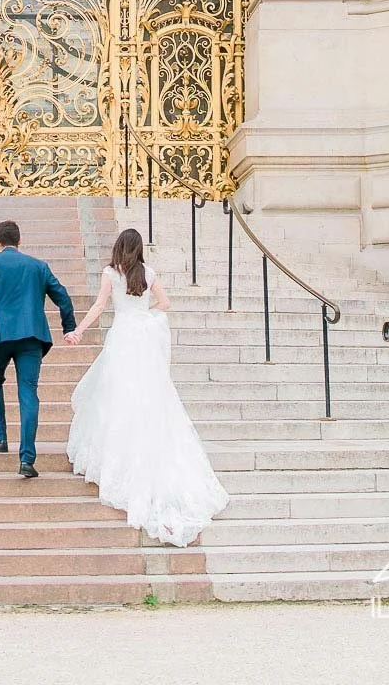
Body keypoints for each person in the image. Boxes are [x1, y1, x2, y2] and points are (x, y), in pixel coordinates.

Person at [64, 226, 228, 545]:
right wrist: (145, 315)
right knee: (149, 392)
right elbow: (165, 303)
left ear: (118, 246)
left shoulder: (111, 273)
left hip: (123, 335)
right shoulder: (148, 273)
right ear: (139, 248)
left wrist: (79, 331)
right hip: (141, 336)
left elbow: (99, 306)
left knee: (115, 393)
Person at [0, 218, 76, 479]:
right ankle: (27, 458)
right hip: (31, 336)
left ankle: (1, 438)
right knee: (28, 393)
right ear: (20, 241)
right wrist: (68, 326)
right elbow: (62, 295)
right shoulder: (38, 266)